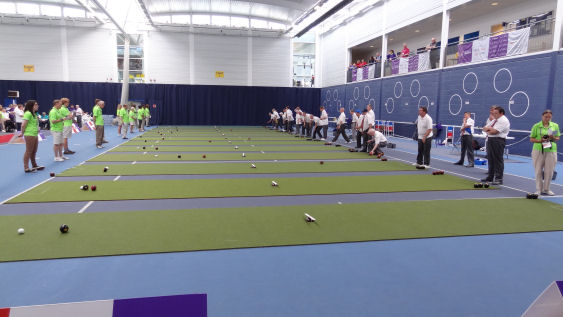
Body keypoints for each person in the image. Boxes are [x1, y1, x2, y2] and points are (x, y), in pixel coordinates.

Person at [530, 109, 559, 195]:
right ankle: (539, 189)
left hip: (551, 150)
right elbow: (532, 139)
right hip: (538, 150)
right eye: (546, 117)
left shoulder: (555, 126)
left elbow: (557, 138)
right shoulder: (536, 126)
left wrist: (552, 137)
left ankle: (547, 189)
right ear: (542, 116)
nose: (547, 118)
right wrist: (540, 140)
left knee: (549, 171)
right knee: (538, 170)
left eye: (549, 117)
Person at [482, 106, 510, 185]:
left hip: (498, 140)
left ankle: (499, 178)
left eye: (496, 113)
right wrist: (488, 130)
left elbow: (494, 132)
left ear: (501, 113)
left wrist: (488, 130)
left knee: (497, 159)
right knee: (490, 159)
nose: (494, 114)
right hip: (490, 140)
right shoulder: (495, 120)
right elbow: (484, 128)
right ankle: (490, 177)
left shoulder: (504, 120)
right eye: (493, 113)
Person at [21, 100, 44, 172]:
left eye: (37, 104)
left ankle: (34, 165)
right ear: (31, 106)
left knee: (34, 151)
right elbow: (23, 125)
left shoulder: (34, 114)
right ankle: (26, 167)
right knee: (28, 151)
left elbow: (35, 123)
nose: (37, 106)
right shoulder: (28, 113)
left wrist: (37, 129)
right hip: (29, 134)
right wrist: (22, 133)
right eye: (35, 105)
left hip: (34, 133)